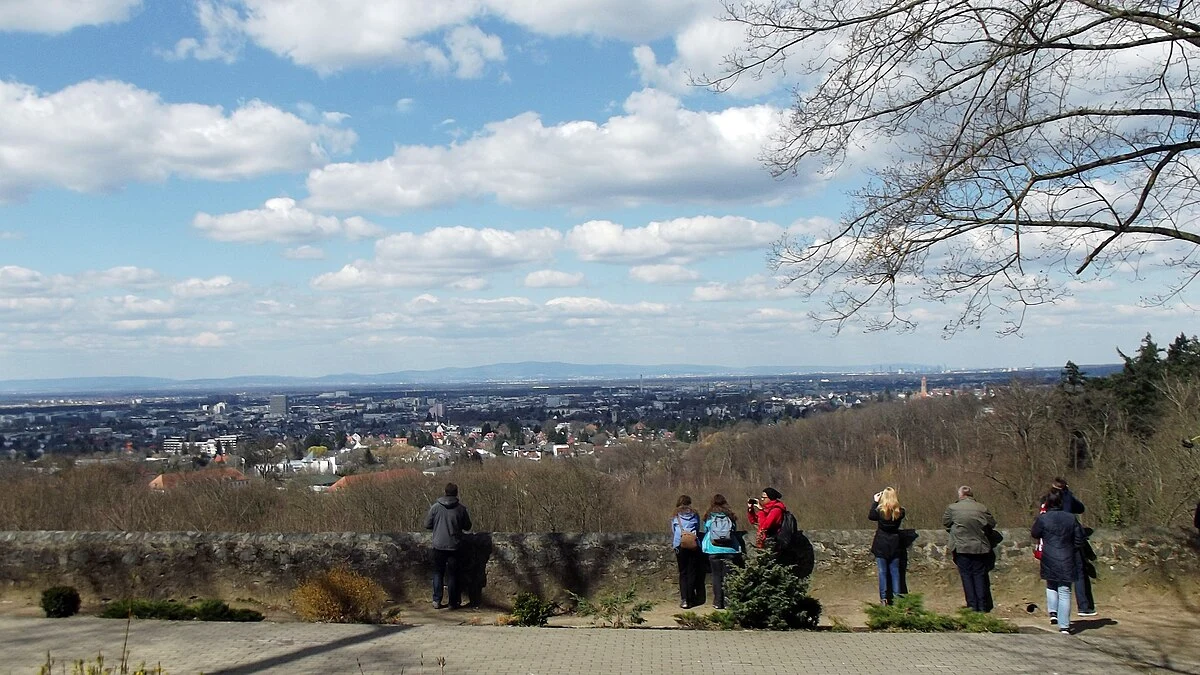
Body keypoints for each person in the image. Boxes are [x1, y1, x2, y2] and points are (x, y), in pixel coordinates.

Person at [1032, 489, 1087, 635]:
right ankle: (1064, 626)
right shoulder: (1070, 518)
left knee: (1051, 585)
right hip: (1067, 555)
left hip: (1049, 555)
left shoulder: (1044, 518)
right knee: (1065, 591)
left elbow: (1035, 533)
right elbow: (1079, 538)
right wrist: (1071, 547)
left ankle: (1053, 613)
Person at [1046, 477, 1097, 617]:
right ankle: (1084, 606)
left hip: (1053, 542)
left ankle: (1054, 612)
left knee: (1053, 578)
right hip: (1071, 539)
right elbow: (1080, 508)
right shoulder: (1068, 499)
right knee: (1079, 573)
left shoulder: (1047, 501)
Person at [944, 485, 997, 612]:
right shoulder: (982, 508)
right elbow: (992, 524)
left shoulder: (952, 508)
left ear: (960, 495)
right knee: (979, 576)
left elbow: (946, 523)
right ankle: (982, 606)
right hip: (979, 547)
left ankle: (972, 606)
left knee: (966, 576)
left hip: (961, 546)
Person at [423, 482, 472, 610]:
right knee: (453, 574)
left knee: (438, 573)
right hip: (454, 545)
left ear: (445, 492)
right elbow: (467, 526)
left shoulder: (435, 508)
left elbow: (427, 524)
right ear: (456, 493)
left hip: (438, 544)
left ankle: (437, 600)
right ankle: (452, 602)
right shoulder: (461, 509)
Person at [701, 494, 742, 610]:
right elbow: (733, 529)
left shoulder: (709, 515)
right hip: (730, 549)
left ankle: (718, 602)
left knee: (716, 576)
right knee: (728, 576)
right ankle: (728, 601)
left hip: (713, 549)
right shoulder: (730, 515)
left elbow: (706, 530)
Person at [869, 486, 905, 605]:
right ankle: (897, 598)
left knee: (882, 572)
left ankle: (883, 598)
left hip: (881, 544)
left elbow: (871, 516)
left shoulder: (880, 511)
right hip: (895, 544)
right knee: (895, 572)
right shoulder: (900, 512)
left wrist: (875, 501)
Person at [671, 494, 705, 609]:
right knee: (692, 572)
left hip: (680, 544)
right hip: (693, 544)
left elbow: (673, 530)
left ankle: (684, 599)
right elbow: (698, 528)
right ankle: (691, 599)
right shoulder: (694, 514)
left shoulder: (676, 515)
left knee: (683, 573)